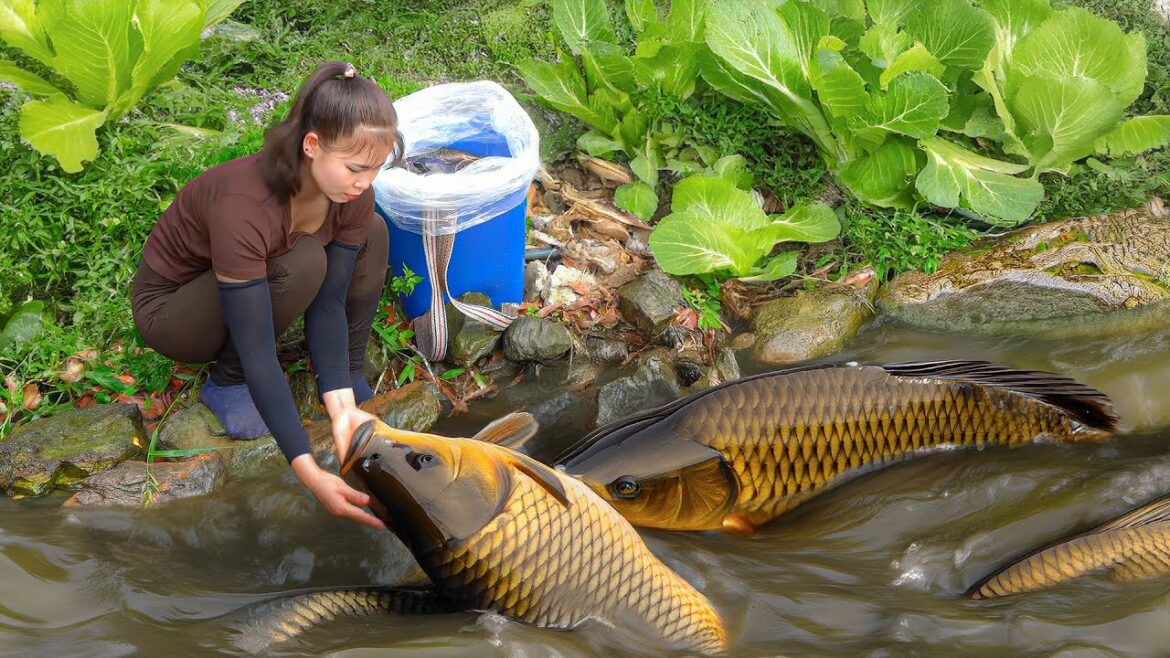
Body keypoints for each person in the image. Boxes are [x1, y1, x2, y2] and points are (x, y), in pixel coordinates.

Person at [131, 62, 401, 530]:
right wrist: (306, 466)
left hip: (256, 282)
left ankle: (347, 374)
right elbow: (259, 349)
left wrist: (338, 404)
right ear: (311, 145)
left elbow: (330, 301)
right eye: (356, 168)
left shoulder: (354, 193)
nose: (365, 181)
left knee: (372, 230)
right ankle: (227, 382)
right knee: (302, 263)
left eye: (377, 168)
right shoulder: (246, 204)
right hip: (175, 310)